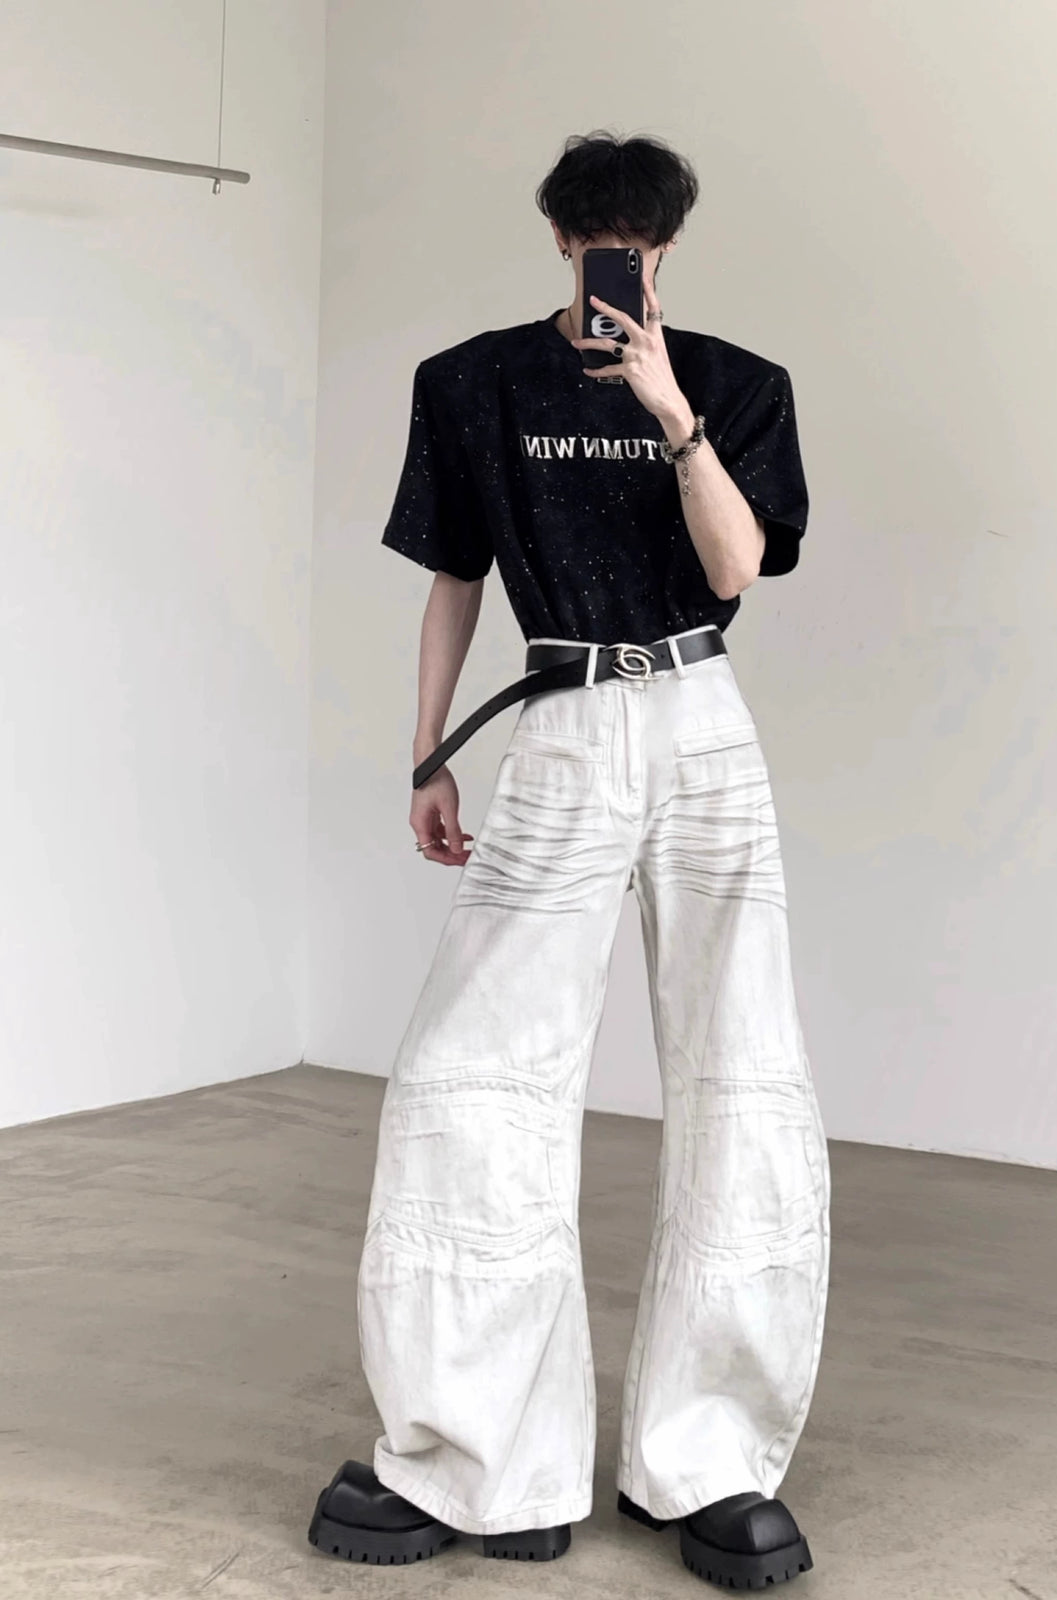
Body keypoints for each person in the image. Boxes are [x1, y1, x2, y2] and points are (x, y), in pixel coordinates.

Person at [307, 130, 831, 1590]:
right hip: (555, 715)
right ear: (561, 240)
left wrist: (671, 414)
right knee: (472, 1075)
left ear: (667, 248)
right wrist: (427, 753)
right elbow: (453, 581)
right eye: (601, 239)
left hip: (701, 718)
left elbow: (735, 569)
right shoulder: (471, 383)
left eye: (641, 244)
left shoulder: (736, 384)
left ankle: (712, 1464)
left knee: (742, 1072)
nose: (620, 261)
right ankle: (481, 1458)